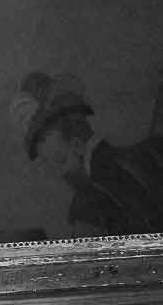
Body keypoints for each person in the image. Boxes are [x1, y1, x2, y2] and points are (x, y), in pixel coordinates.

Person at [11, 68, 163, 237]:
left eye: (61, 161)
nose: (62, 175)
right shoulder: (152, 151)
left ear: (77, 145)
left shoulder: (87, 207)